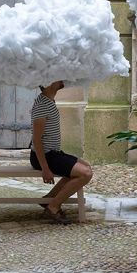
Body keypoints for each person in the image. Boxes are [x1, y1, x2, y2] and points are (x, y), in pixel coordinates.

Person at [30, 81, 93, 224]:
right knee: (86, 174)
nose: (61, 79)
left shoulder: (48, 101)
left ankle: (49, 199)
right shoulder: (42, 105)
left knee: (86, 166)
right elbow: (37, 140)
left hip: (54, 153)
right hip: (45, 156)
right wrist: (45, 168)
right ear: (47, 84)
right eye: (57, 78)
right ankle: (53, 207)